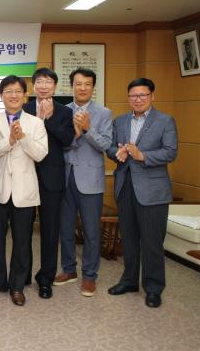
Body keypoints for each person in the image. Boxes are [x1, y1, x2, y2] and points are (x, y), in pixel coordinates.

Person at [106, 78, 177, 308]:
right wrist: (117, 152)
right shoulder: (120, 121)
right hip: (125, 185)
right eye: (133, 96)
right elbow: (110, 148)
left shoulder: (165, 121)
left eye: (142, 95)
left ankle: (154, 288)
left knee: (152, 242)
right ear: (128, 98)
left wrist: (142, 155)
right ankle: (129, 281)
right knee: (128, 239)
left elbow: (170, 152)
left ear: (152, 96)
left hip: (152, 190)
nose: (137, 99)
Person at [0, 75, 47, 306]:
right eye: (8, 91)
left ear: (25, 95)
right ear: (1, 95)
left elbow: (40, 154)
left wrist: (23, 138)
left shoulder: (36, 123)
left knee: (22, 241)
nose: (13, 95)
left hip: (25, 191)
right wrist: (9, 140)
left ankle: (18, 286)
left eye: (17, 91)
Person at [54, 68, 112, 297]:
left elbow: (105, 145)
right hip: (65, 177)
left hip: (91, 179)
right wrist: (75, 136)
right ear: (72, 86)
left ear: (93, 87)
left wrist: (88, 129)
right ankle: (69, 270)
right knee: (65, 228)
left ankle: (89, 276)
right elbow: (59, 144)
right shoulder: (62, 111)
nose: (82, 88)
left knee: (91, 231)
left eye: (87, 84)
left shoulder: (104, 113)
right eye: (78, 84)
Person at [22, 68, 75, 299]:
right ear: (33, 85)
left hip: (52, 178)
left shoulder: (64, 111)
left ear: (55, 86)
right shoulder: (23, 109)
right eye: (40, 82)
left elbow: (68, 140)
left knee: (50, 230)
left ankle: (45, 279)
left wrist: (50, 119)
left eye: (48, 82)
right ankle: (22, 275)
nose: (44, 86)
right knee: (23, 229)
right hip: (25, 175)